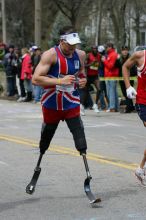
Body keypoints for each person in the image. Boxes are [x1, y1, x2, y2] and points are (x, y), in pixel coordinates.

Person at [30, 26, 91, 180]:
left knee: (79, 135)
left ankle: (88, 176)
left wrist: (83, 81)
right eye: (69, 44)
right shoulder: (50, 55)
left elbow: (82, 73)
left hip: (71, 102)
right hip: (52, 103)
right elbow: (35, 79)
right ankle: (39, 162)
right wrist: (59, 81)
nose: (73, 47)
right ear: (61, 41)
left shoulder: (81, 55)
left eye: (75, 44)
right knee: (46, 137)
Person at [122, 48, 146, 186]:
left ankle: (141, 169)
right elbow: (125, 66)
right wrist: (128, 86)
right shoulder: (140, 56)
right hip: (143, 102)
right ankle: (141, 168)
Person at [101, 43, 119, 112]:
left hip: (111, 76)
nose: (105, 49)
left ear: (110, 47)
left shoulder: (113, 54)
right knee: (113, 92)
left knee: (110, 92)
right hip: (109, 75)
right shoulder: (110, 54)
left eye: (106, 47)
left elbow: (110, 66)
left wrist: (104, 61)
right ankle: (115, 107)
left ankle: (112, 107)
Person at [119, 46, 136, 113]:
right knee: (124, 93)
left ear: (128, 51)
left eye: (126, 50)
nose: (125, 51)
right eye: (123, 50)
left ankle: (129, 108)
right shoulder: (119, 59)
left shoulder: (131, 58)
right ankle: (131, 106)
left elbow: (133, 69)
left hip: (129, 78)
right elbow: (117, 67)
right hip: (121, 78)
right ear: (121, 51)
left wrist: (130, 74)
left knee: (128, 93)